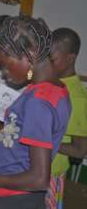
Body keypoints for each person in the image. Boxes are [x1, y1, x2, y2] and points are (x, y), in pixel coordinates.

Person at [0, 15, 71, 209]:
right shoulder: (56, 89)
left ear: (30, 53)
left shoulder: (39, 101)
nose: (4, 73)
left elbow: (39, 178)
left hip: (15, 200)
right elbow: (30, 142)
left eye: (6, 64)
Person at [45, 28, 87, 209]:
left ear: (70, 58)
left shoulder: (76, 98)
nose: (47, 63)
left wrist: (44, 141)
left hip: (50, 173)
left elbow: (79, 150)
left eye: (51, 59)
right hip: (34, 167)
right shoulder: (52, 82)